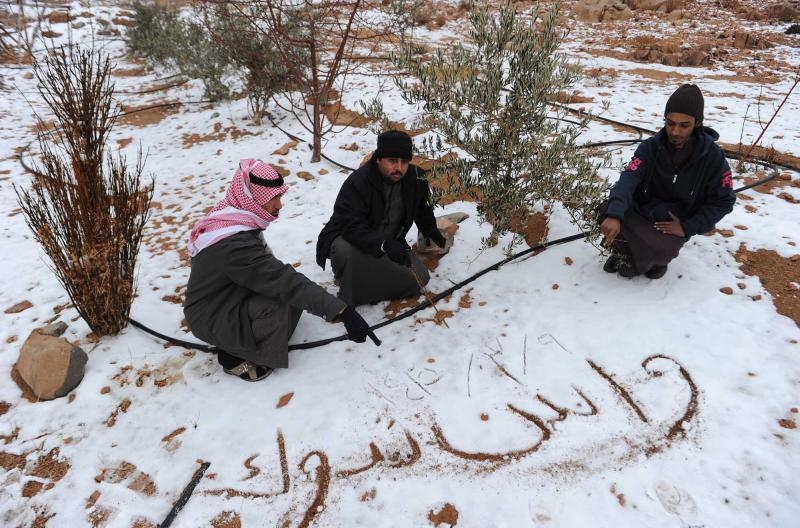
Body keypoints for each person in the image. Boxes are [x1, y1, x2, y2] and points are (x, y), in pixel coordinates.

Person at [183, 159, 379, 382]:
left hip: (227, 295)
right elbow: (284, 281)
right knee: (276, 307)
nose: (279, 205)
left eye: (279, 196)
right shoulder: (234, 244)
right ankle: (235, 357)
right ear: (252, 198)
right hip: (211, 315)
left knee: (289, 299)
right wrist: (342, 312)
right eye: (273, 198)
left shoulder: (236, 216)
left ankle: (252, 338)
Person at [599, 84, 736, 279]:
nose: (675, 132)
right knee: (606, 212)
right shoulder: (650, 148)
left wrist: (688, 226)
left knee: (649, 257)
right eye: (670, 123)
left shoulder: (713, 157)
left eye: (684, 125)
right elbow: (629, 177)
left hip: (673, 222)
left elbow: (723, 201)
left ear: (697, 123)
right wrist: (615, 213)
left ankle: (655, 262)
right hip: (643, 211)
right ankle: (625, 254)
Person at [316, 130, 448, 305]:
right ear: (378, 159)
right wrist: (384, 244)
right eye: (392, 161)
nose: (399, 168)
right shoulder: (358, 182)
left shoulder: (416, 178)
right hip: (352, 243)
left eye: (404, 162)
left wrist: (430, 230)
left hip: (390, 243)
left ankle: (360, 285)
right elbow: (350, 226)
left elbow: (422, 209)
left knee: (420, 278)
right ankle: (351, 291)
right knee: (344, 249)